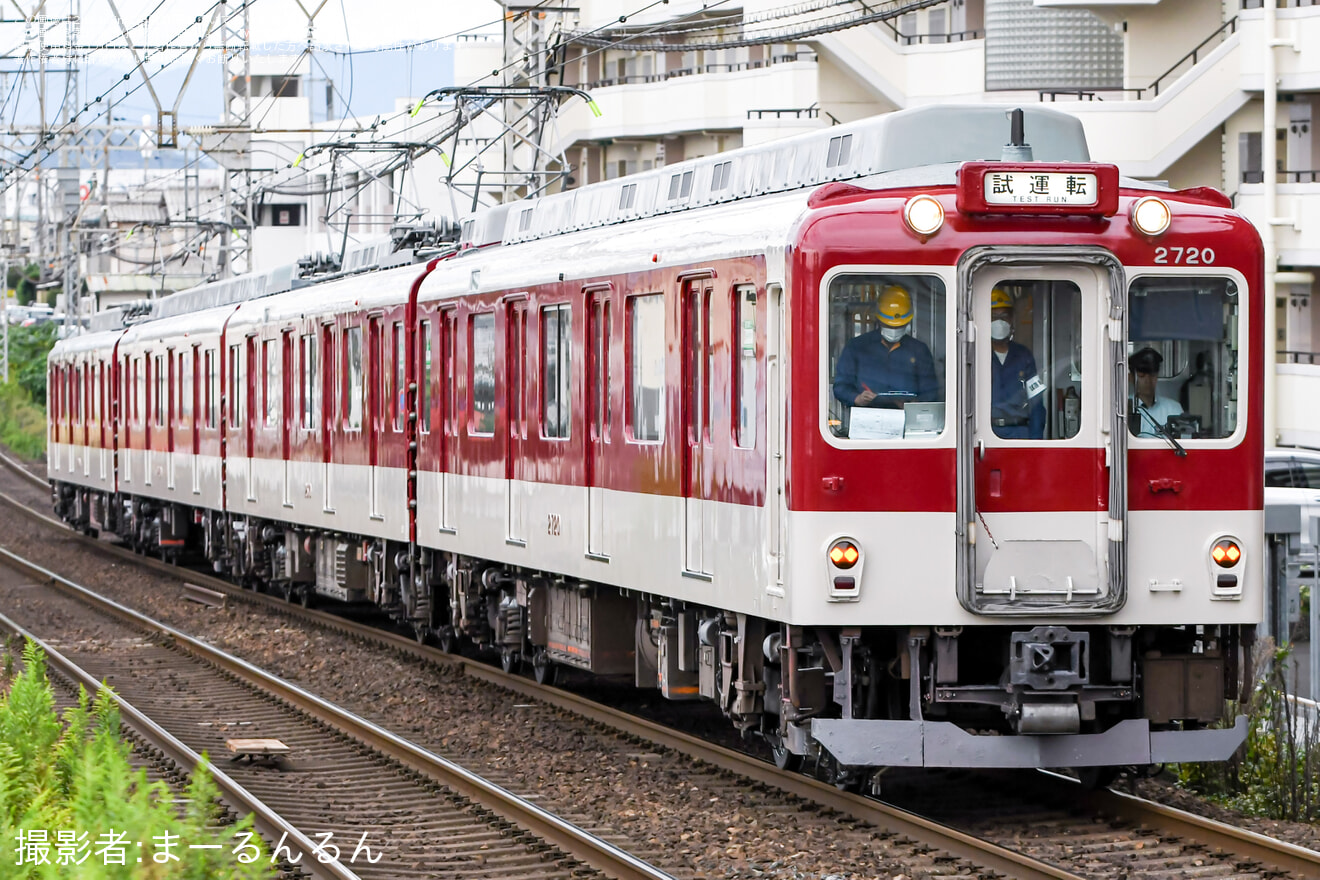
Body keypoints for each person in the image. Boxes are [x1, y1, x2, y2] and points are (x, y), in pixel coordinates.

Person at [832, 284, 939, 409]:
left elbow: (931, 390)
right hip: (867, 418)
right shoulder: (857, 347)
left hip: (907, 419)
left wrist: (917, 404)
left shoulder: (919, 350)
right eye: (889, 326)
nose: (894, 330)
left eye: (898, 326)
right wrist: (856, 398)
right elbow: (841, 385)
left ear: (908, 322)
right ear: (879, 320)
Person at [988, 287, 1045, 439]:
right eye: (993, 316)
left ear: (1012, 319)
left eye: (1004, 316)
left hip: (1020, 434)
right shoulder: (975, 354)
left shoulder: (1023, 355)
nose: (999, 322)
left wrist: (1035, 443)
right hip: (987, 434)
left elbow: (1036, 403)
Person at [1129, 346, 1182, 437]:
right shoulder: (1124, 408)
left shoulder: (1173, 409)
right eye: (1142, 375)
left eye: (1152, 375)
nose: (1148, 380)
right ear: (1131, 377)